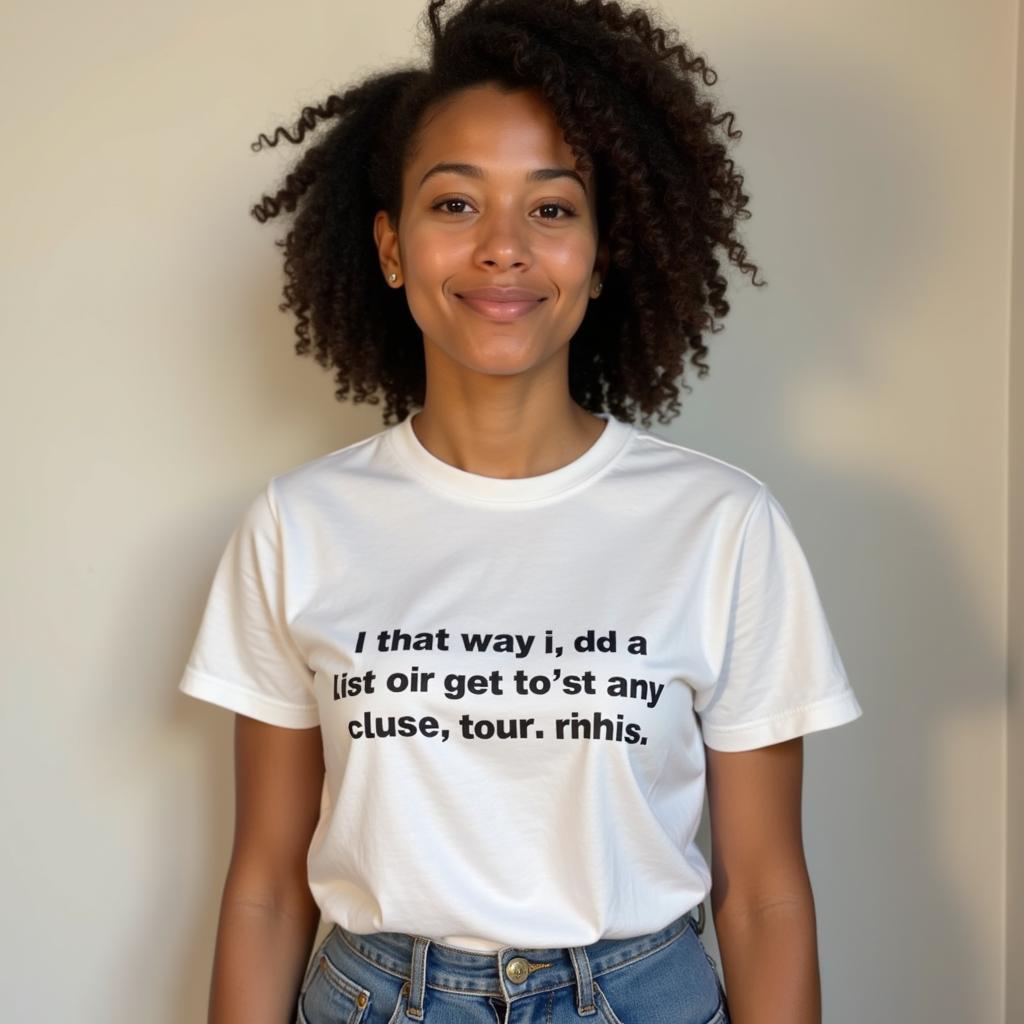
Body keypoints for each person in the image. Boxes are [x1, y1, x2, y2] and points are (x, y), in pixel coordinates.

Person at [178, 1, 864, 1022]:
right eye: (455, 204)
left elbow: (764, 895)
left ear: (601, 248)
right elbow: (266, 890)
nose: (503, 247)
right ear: (391, 246)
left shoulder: (723, 525)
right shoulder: (297, 525)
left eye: (551, 208)